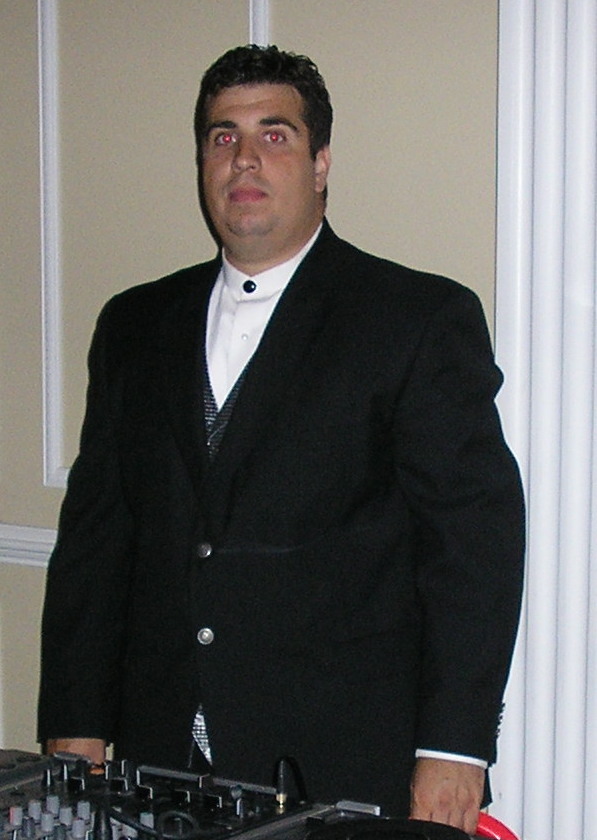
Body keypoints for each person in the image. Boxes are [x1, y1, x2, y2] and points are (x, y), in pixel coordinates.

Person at [38, 45, 524, 831]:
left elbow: (473, 548)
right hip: (157, 761)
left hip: (343, 760)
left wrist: (454, 750)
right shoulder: (132, 324)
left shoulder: (415, 318)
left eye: (275, 134)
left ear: (321, 162)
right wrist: (76, 722)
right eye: (222, 137)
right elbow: (96, 542)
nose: (244, 158)